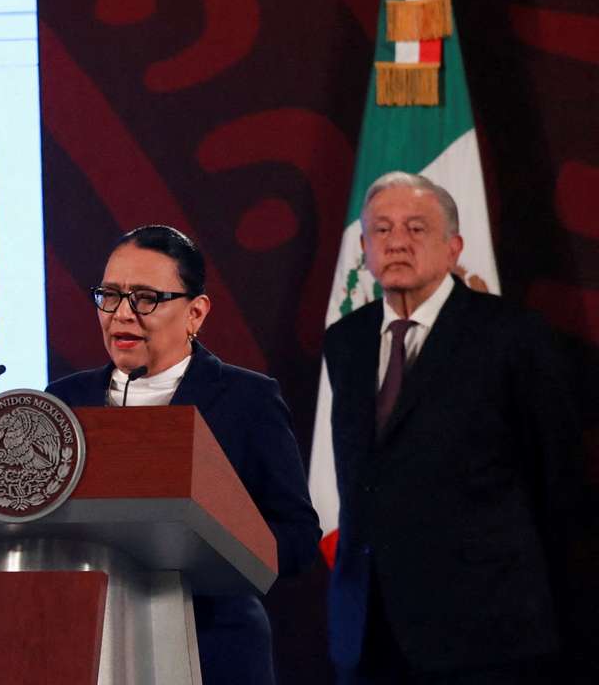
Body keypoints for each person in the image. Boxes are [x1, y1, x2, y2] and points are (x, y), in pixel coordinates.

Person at [324, 172, 582, 683]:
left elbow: (557, 478)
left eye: (416, 228)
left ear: (454, 247)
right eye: (381, 229)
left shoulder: (512, 334)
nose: (397, 241)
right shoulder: (345, 340)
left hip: (486, 629)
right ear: (364, 248)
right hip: (369, 628)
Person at [46, 224, 320, 685]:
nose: (122, 314)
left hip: (214, 650)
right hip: (88, 647)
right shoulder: (62, 402)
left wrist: (213, 542)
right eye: (109, 296)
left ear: (195, 313)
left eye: (145, 298)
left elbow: (298, 539)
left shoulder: (246, 399)